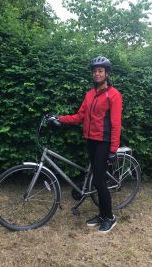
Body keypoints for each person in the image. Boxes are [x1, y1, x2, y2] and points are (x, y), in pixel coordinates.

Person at [58, 56, 122, 233]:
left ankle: (109, 217)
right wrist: (60, 119)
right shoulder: (89, 95)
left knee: (99, 181)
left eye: (100, 71)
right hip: (91, 140)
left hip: (104, 141)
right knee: (96, 179)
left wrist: (113, 150)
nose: (97, 73)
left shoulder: (114, 95)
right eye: (94, 71)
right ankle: (102, 215)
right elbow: (79, 116)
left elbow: (116, 123)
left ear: (107, 73)